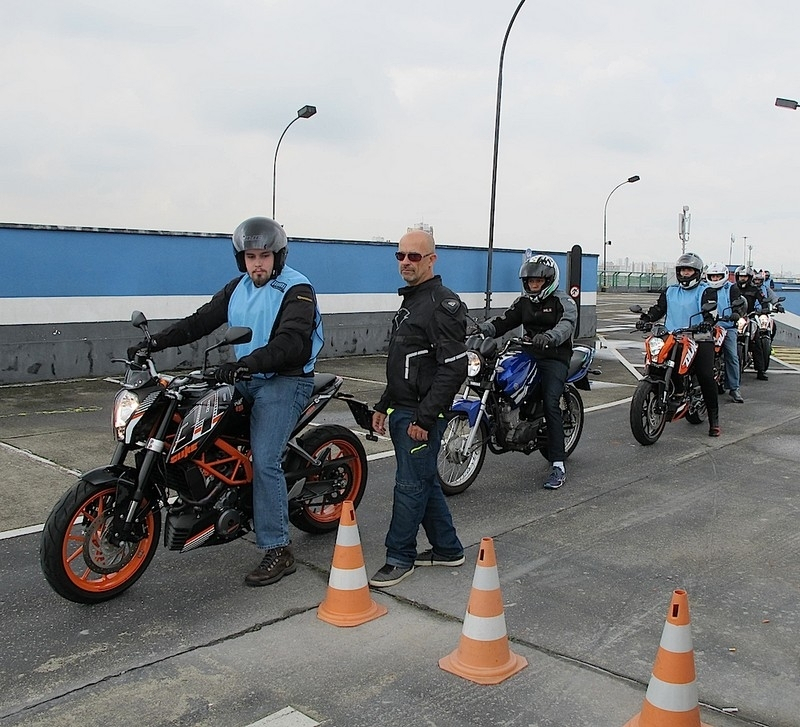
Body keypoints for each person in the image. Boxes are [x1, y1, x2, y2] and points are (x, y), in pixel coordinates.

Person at [127, 216, 324, 587]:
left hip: (285, 381)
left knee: (265, 460)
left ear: (277, 256)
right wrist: (154, 343)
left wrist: (244, 364)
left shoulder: (297, 290)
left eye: (264, 256)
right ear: (241, 259)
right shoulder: (238, 287)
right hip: (246, 376)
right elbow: (200, 321)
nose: (257, 264)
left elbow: (292, 343)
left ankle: (279, 549)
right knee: (189, 424)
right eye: (250, 256)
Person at [368, 229, 468, 588]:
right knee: (423, 480)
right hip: (404, 410)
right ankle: (447, 548)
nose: (406, 262)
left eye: (414, 256)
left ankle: (399, 556)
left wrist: (425, 419)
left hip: (420, 416)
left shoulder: (442, 304)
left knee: (410, 485)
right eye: (401, 256)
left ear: (431, 260)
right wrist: (383, 404)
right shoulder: (412, 301)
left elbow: (454, 366)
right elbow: (405, 363)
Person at [478, 254, 578, 489]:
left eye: (538, 281)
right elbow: (504, 321)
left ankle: (558, 465)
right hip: (529, 352)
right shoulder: (523, 302)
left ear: (548, 280)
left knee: (551, 402)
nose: (533, 285)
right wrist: (480, 329)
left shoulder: (563, 301)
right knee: (501, 379)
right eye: (530, 281)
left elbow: (567, 324)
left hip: (554, 357)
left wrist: (550, 337)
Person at [637, 252, 720, 436]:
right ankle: (671, 393)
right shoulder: (670, 291)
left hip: (700, 338)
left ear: (697, 272)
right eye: (682, 270)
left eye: (689, 270)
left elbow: (711, 312)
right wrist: (646, 318)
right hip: (671, 337)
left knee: (706, 375)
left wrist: (707, 321)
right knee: (655, 363)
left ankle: (714, 419)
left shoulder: (706, 291)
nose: (685, 273)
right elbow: (659, 309)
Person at [703, 262, 746, 403]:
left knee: (732, 356)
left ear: (725, 276)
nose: (715, 279)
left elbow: (737, 302)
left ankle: (734, 388)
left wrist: (736, 313)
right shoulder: (704, 288)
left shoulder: (732, 288)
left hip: (727, 327)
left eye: (718, 276)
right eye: (712, 276)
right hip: (708, 327)